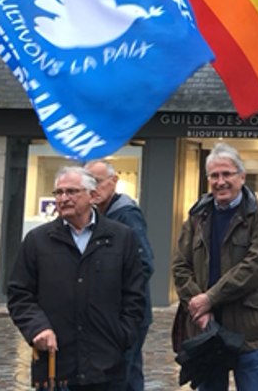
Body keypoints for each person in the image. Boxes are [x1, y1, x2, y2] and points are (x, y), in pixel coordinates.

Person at [7, 167, 146, 391]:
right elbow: (19, 294)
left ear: (92, 196)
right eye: (59, 192)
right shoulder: (37, 241)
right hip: (56, 364)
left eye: (72, 191)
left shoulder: (121, 238)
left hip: (107, 366)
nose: (64, 198)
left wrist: (123, 335)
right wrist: (37, 328)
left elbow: (135, 295)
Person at [171, 143, 258, 391]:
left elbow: (256, 266)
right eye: (214, 176)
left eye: (227, 174)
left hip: (248, 326)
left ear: (241, 177)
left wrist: (210, 297)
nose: (221, 181)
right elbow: (179, 266)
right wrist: (198, 304)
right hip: (205, 326)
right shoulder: (198, 214)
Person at [85, 160, 155, 391]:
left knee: (126, 371)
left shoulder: (126, 214)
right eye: (88, 183)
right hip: (108, 313)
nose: (93, 188)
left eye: (97, 181)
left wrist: (121, 302)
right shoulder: (96, 215)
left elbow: (144, 263)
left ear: (114, 181)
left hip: (128, 313)